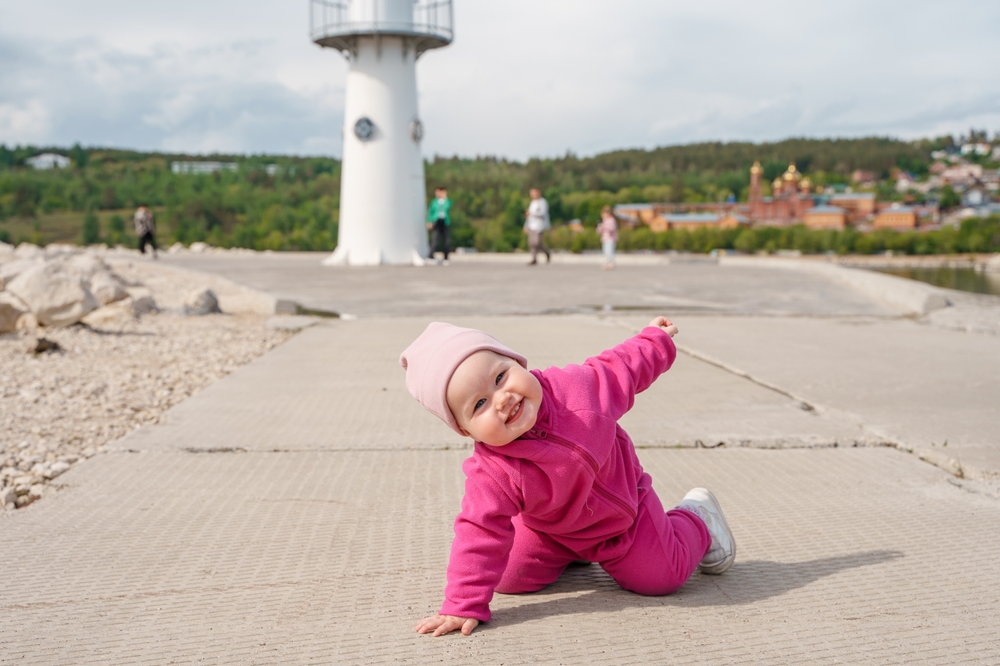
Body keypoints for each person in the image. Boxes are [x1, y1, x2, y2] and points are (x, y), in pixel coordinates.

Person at [400, 318, 736, 638]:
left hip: (626, 518)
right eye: (480, 404)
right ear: (464, 429)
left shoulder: (578, 390)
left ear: (516, 361)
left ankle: (696, 517)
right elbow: (479, 528)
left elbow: (622, 368)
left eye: (500, 378)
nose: (503, 400)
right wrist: (463, 604)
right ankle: (571, 555)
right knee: (506, 577)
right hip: (552, 532)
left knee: (662, 576)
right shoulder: (492, 470)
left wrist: (653, 339)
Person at [523, 188, 550, 265]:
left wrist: (532, 213)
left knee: (537, 242)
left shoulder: (543, 202)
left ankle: (546, 252)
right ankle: (534, 258)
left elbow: (543, 213)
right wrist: (526, 225)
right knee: (531, 243)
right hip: (531, 225)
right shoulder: (532, 203)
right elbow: (528, 216)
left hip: (540, 225)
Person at [426, 186, 452, 265]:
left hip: (445, 221)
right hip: (436, 221)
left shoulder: (447, 201)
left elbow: (448, 207)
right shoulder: (434, 201)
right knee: (435, 240)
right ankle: (430, 257)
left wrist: (445, 198)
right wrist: (429, 221)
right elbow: (430, 212)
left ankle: (446, 258)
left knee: (446, 241)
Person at [598, 205, 618, 270]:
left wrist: (604, 227)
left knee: (609, 252)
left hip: (610, 239)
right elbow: (599, 231)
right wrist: (600, 228)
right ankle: (607, 263)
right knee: (606, 252)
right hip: (605, 239)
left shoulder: (611, 220)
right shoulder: (604, 221)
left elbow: (612, 228)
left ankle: (611, 263)